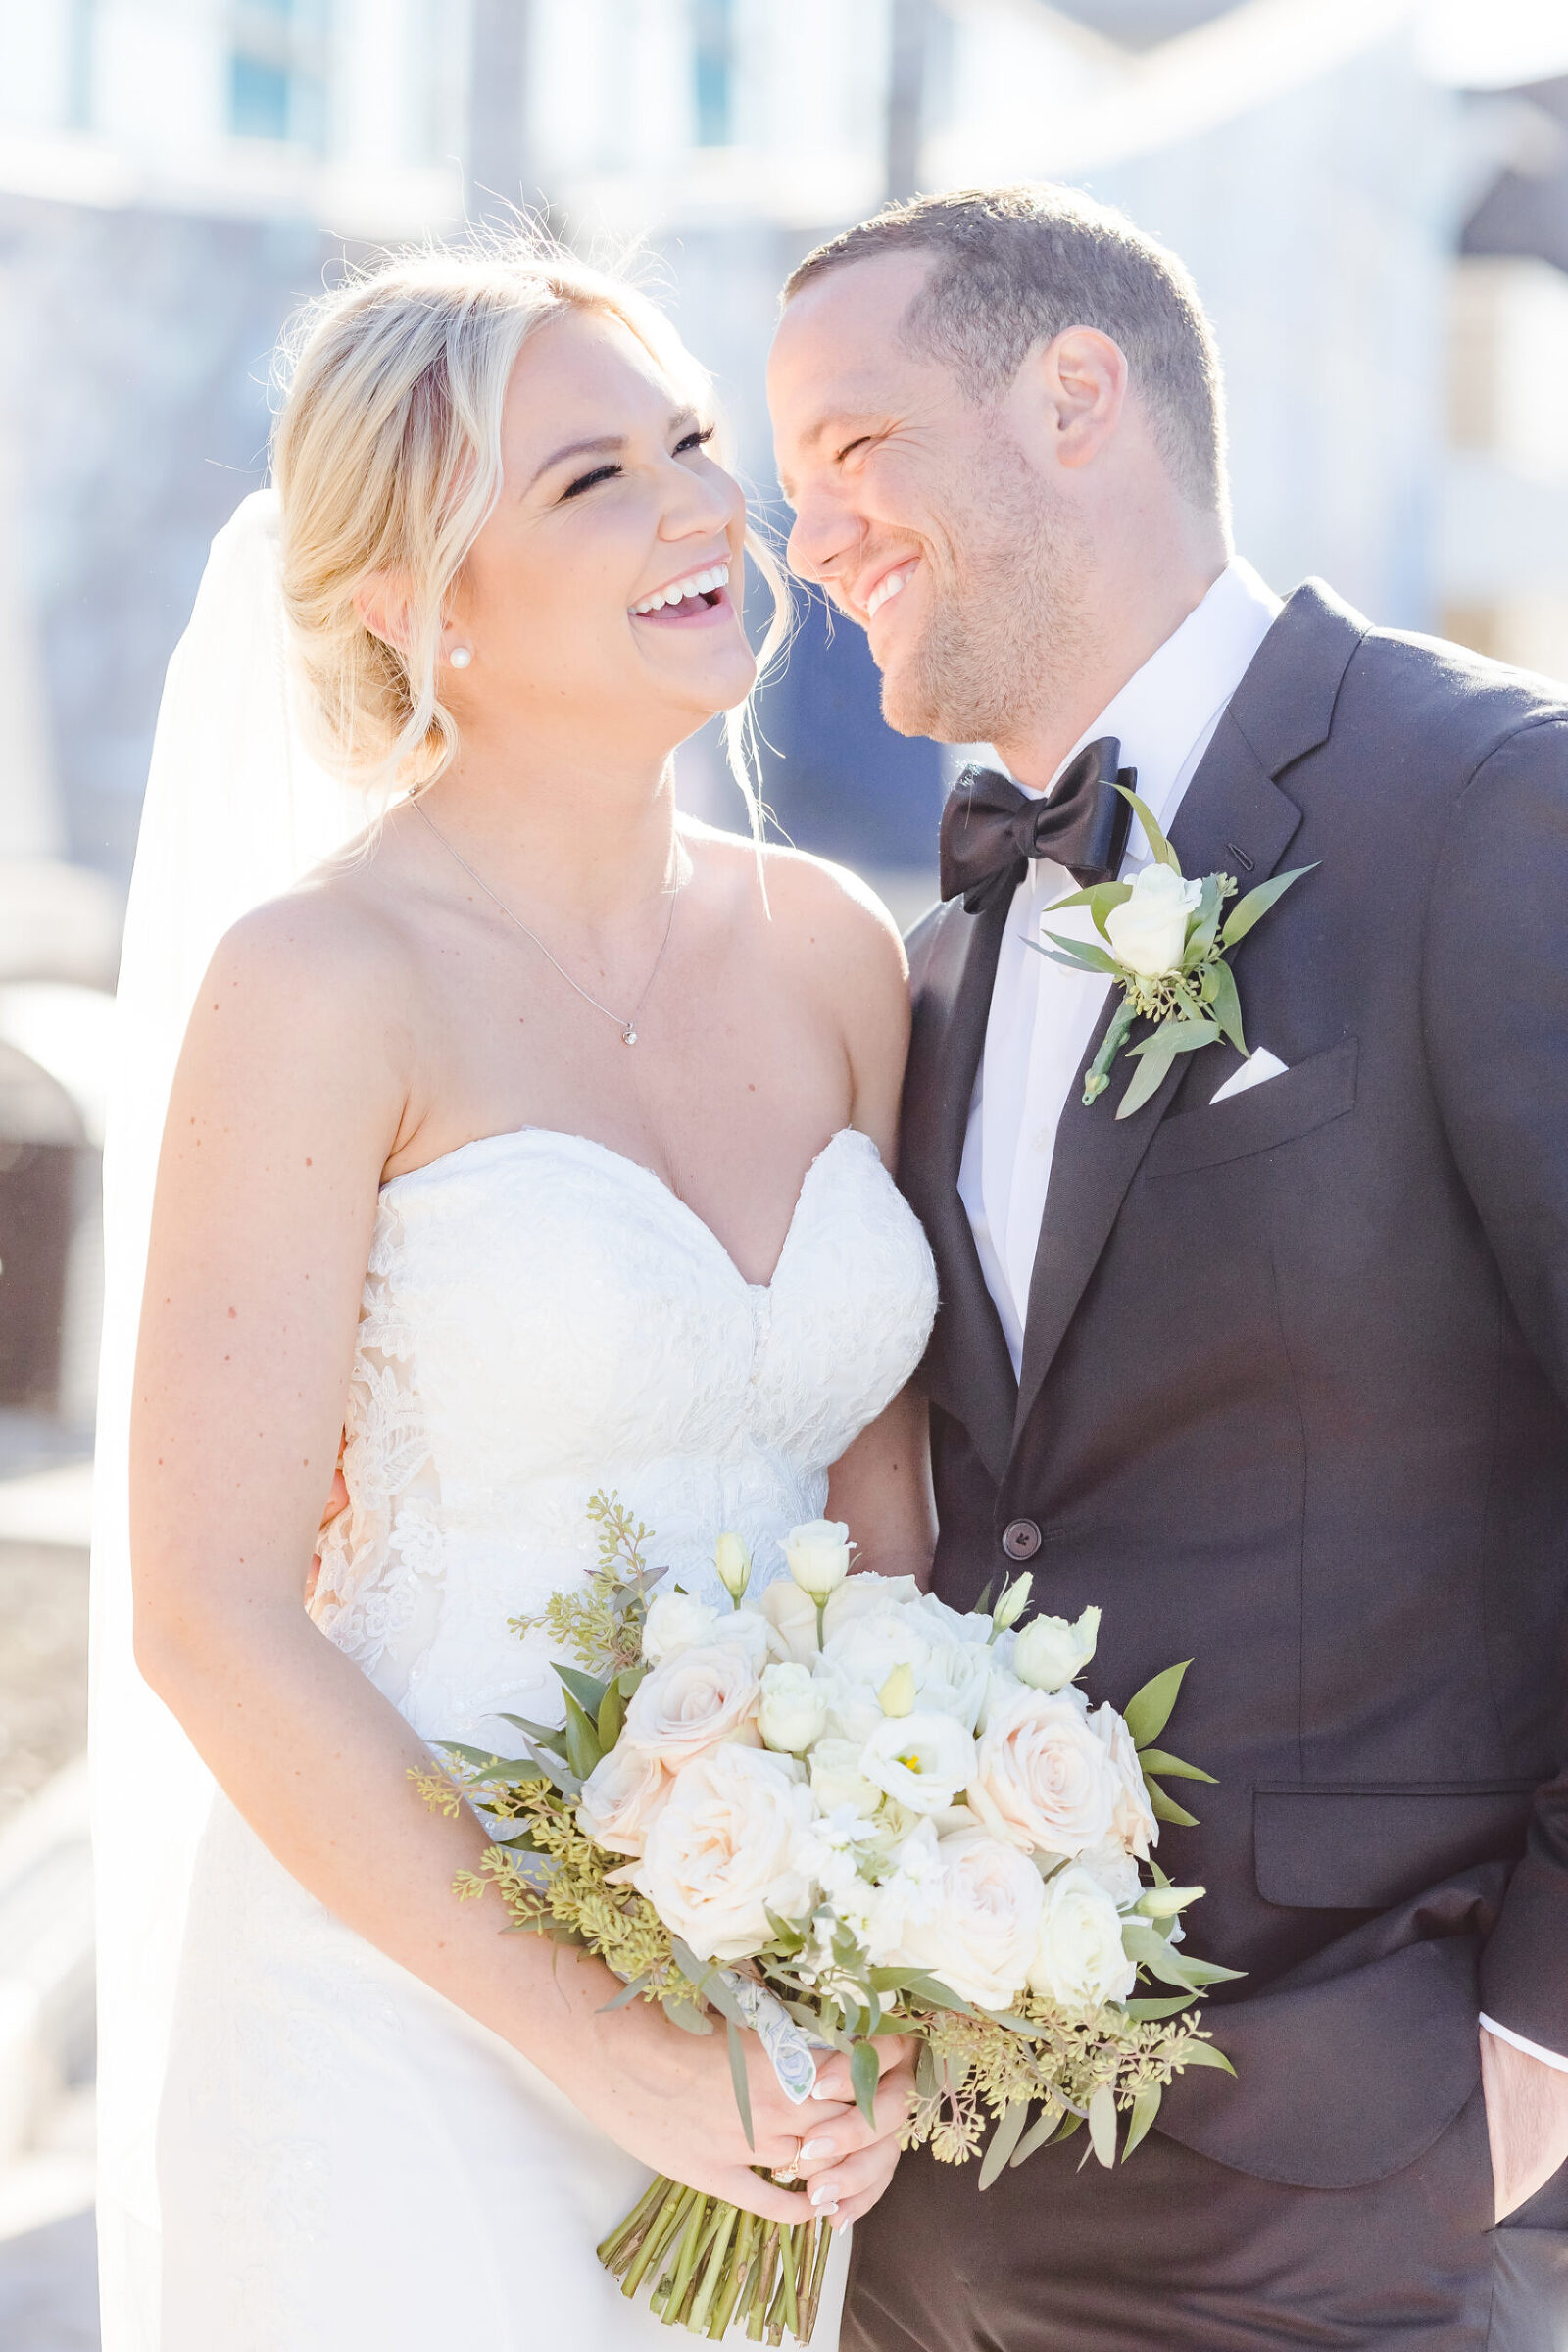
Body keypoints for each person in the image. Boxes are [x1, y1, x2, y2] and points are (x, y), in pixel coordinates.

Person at [768, 183, 1568, 2347]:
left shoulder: (1492, 806)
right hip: (943, 2203)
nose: (809, 539)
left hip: (1364, 2176)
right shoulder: (938, 955)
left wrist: (1531, 2050)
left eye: (854, 450)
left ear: (1074, 396)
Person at [118, 239, 934, 2351]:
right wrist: (599, 2044)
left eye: (691, 443)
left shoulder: (837, 954)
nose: (699, 507)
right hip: (392, 2032)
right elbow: (209, 1612)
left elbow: (884, 1535)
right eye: (592, 481)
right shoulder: (322, 982)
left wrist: (895, 1945)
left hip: (764, 2040)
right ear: (413, 602)